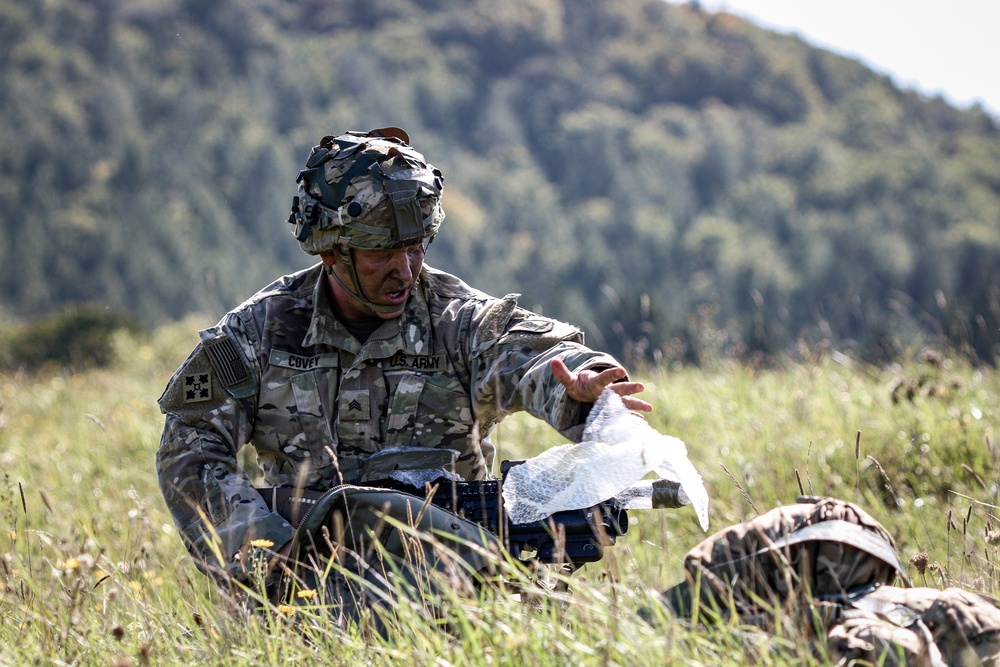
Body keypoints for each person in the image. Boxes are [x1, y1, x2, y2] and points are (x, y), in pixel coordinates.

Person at [155, 127, 650, 608]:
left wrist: (582, 388)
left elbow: (535, 355)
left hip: (460, 582)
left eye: (417, 247)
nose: (406, 270)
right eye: (383, 254)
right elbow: (189, 448)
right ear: (330, 250)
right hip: (305, 589)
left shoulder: (459, 321)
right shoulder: (259, 332)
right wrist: (262, 546)